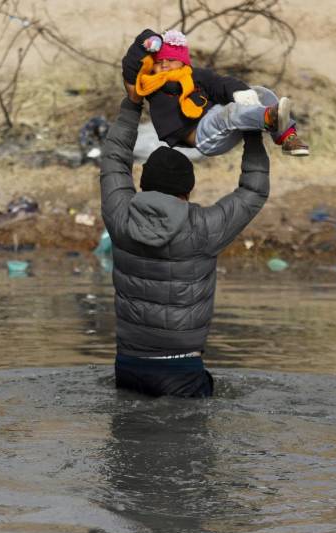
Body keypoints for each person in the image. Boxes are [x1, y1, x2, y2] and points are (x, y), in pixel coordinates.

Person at [99, 63, 271, 397]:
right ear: (187, 191)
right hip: (181, 370)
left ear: (144, 184)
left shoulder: (120, 217)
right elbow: (254, 190)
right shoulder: (204, 229)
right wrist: (251, 130)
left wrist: (132, 104)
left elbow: (114, 159)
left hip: (128, 366)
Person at [122, 29, 309, 157]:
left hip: (226, 123)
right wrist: (144, 41)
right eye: (159, 61)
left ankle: (288, 139)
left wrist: (241, 92)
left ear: (183, 61)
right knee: (228, 112)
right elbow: (131, 75)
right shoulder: (151, 87)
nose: (164, 64)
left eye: (171, 59)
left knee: (261, 92)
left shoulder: (195, 75)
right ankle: (269, 118)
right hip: (205, 137)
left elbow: (220, 83)